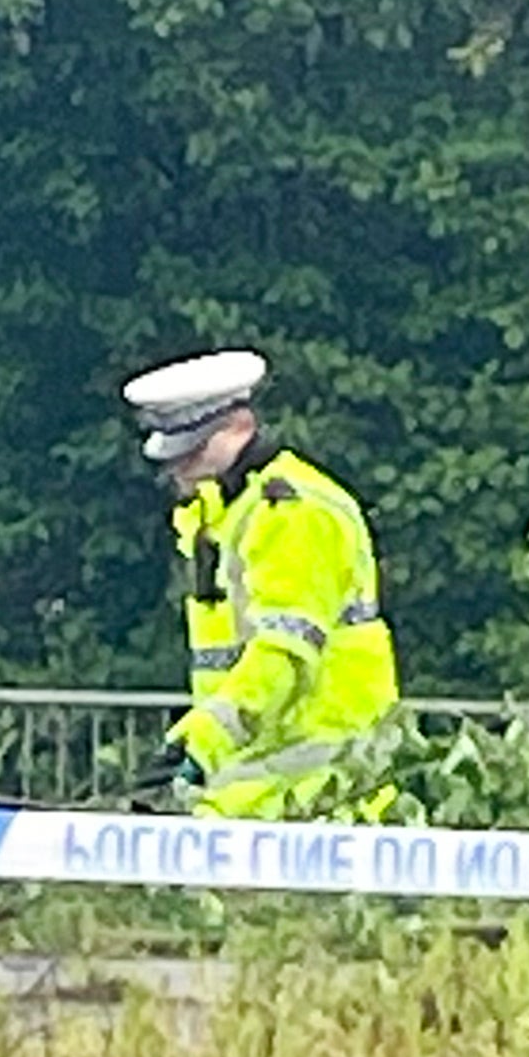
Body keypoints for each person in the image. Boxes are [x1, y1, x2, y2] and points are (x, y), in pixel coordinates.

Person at [120, 348, 401, 820]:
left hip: (323, 784)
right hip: (261, 780)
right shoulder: (223, 513)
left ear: (239, 426)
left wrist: (199, 746)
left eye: (193, 450)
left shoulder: (291, 513)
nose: (178, 468)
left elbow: (283, 654)